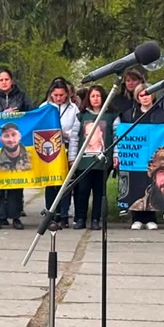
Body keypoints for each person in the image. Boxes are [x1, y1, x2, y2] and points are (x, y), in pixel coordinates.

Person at [120, 84, 164, 229]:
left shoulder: (162, 114)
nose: (145, 97)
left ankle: (151, 218)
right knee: (136, 184)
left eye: (147, 94)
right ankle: (136, 218)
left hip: (155, 157)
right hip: (135, 156)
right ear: (137, 97)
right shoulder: (129, 114)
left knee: (152, 183)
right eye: (141, 95)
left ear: (153, 95)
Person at [0, 69, 30, 229]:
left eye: (7, 79)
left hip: (17, 144)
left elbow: (31, 115)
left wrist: (18, 115)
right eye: (1, 80)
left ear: (11, 81)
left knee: (16, 181)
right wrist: (2, 115)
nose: (4, 82)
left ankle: (16, 216)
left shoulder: (22, 97)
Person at [72, 85, 113, 230]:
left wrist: (116, 156)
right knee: (82, 190)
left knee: (99, 191)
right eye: (93, 96)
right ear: (88, 98)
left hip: (102, 161)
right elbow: (74, 138)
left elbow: (117, 136)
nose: (96, 99)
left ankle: (96, 219)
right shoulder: (81, 116)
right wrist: (72, 157)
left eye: (98, 96)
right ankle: (80, 218)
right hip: (84, 161)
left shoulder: (112, 116)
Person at [41, 78, 79, 226]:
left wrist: (65, 134)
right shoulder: (44, 107)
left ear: (67, 94)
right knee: (51, 182)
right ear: (51, 94)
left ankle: (63, 214)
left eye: (61, 95)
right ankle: (50, 212)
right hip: (49, 148)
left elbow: (76, 132)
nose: (58, 98)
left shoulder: (73, 109)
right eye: (56, 95)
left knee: (65, 182)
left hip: (66, 146)